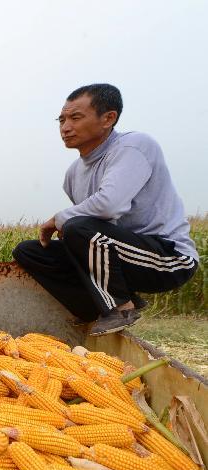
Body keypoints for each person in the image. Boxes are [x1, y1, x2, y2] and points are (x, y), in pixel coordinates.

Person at [13, 84, 199, 335]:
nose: (65, 127)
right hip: (121, 257)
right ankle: (93, 308)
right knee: (29, 251)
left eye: (76, 117)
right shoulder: (73, 174)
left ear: (108, 118)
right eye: (62, 120)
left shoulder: (133, 147)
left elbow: (108, 206)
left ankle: (120, 309)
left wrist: (59, 219)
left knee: (76, 226)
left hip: (167, 259)